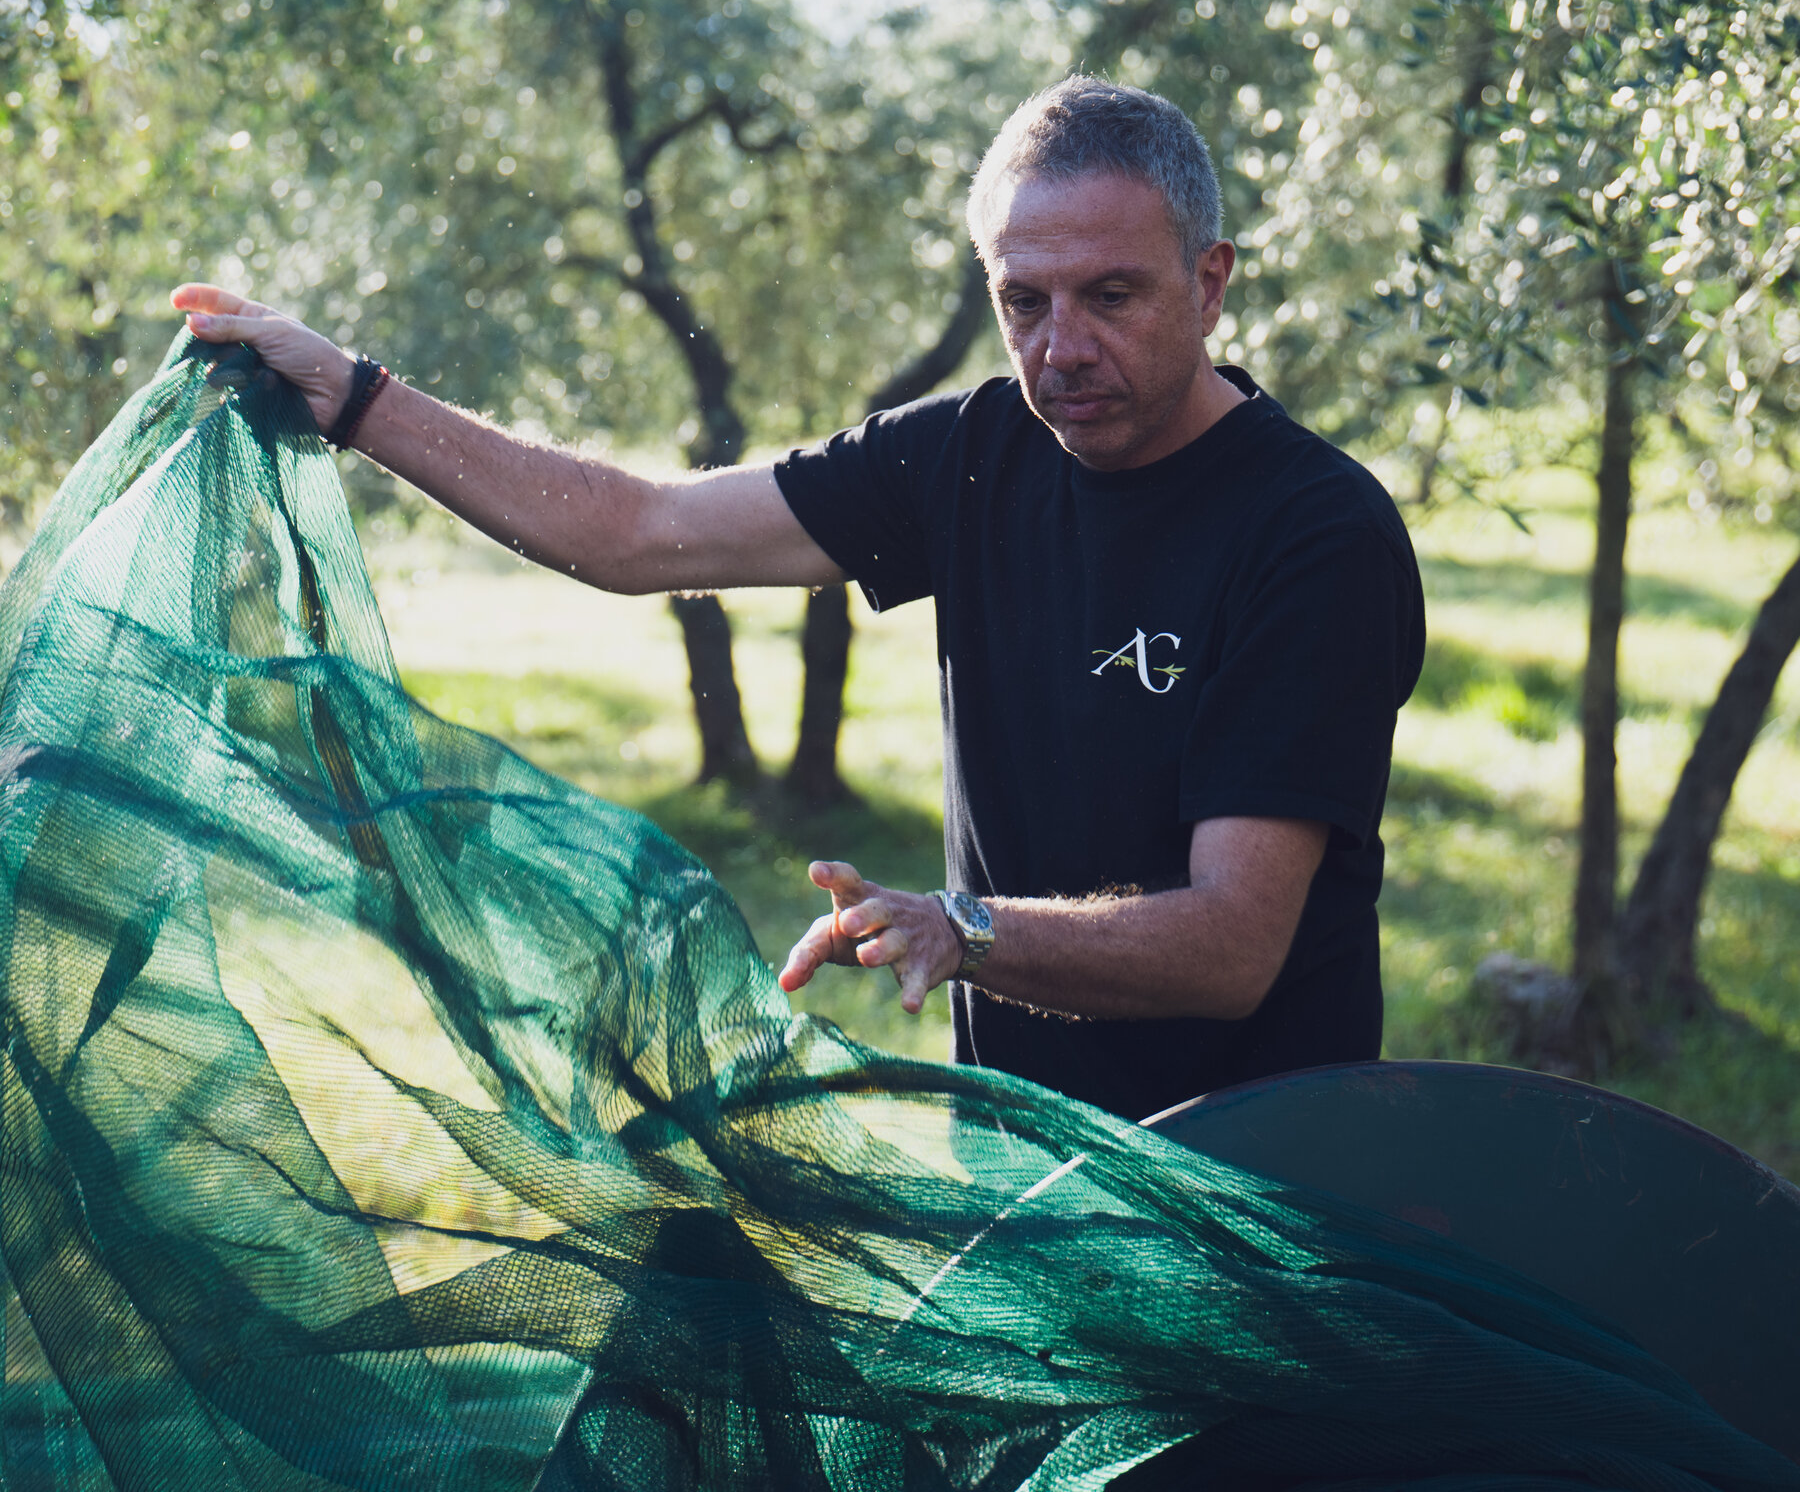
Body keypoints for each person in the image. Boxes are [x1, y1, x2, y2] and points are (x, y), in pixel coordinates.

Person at [174, 75, 1424, 1123]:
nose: (1060, 347)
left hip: (1274, 1178)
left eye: (1112, 296)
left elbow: (1230, 946)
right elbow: (637, 531)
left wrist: (963, 930)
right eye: (1022, 303)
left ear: (1208, 284)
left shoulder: (1313, 534)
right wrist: (352, 395)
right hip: (1039, 1164)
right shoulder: (967, 457)